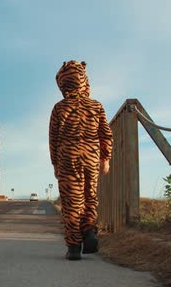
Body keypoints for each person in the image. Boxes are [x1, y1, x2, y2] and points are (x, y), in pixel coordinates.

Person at [49, 60, 113, 260]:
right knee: (89, 197)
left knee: (71, 202)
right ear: (84, 81)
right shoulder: (96, 106)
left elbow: (54, 139)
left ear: (63, 84)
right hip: (91, 154)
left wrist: (56, 163)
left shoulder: (59, 108)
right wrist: (106, 158)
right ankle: (89, 232)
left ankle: (74, 247)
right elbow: (106, 134)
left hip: (68, 155)